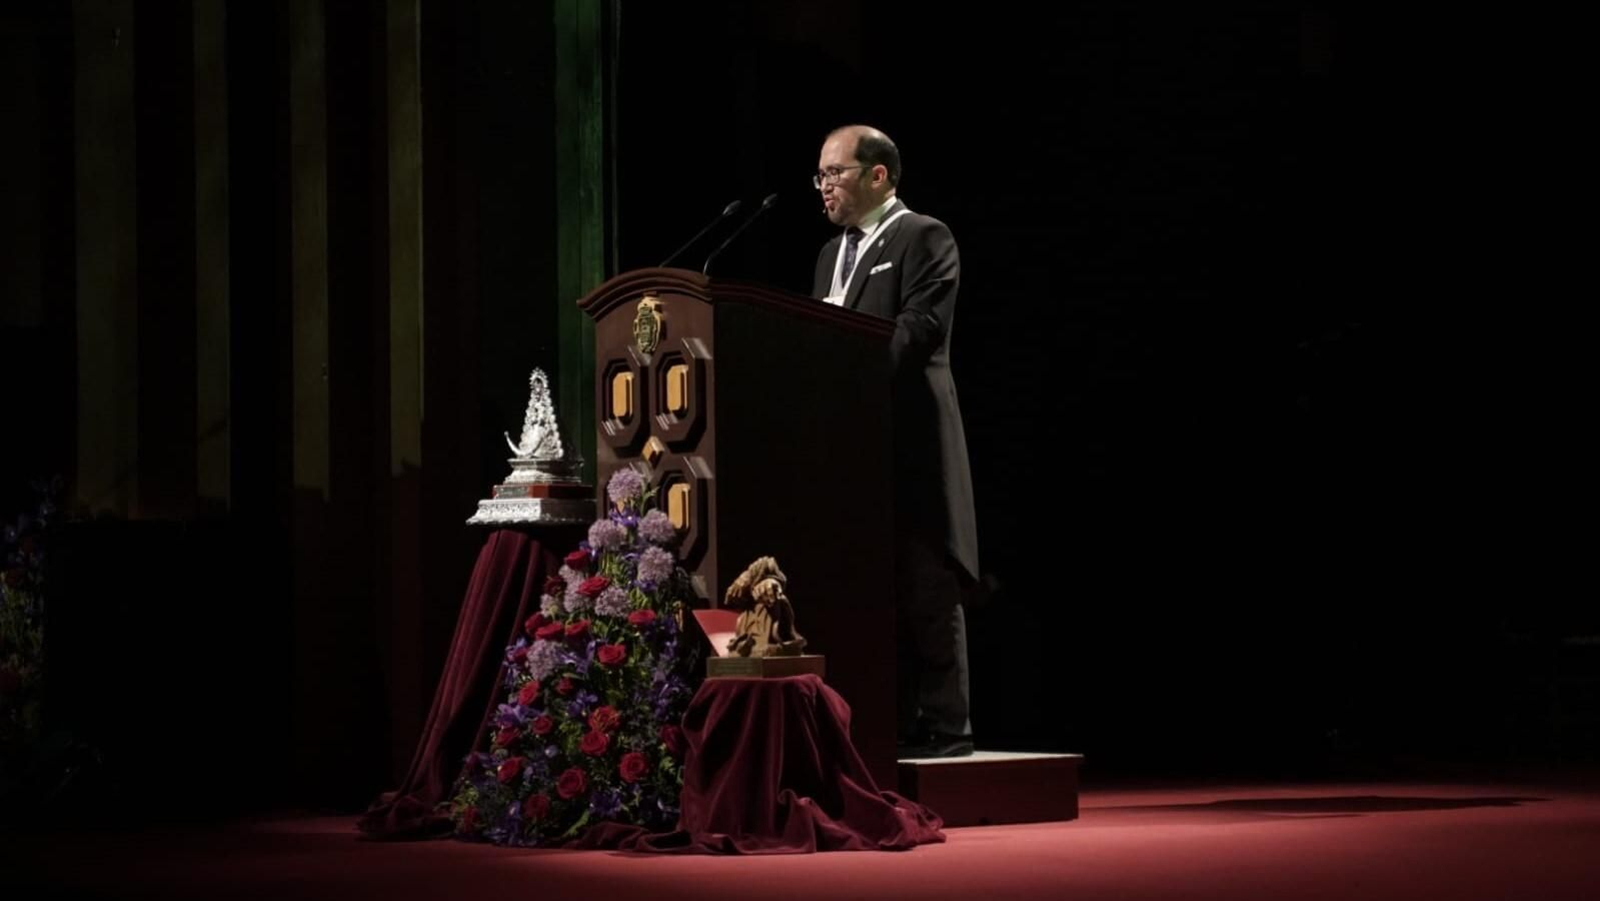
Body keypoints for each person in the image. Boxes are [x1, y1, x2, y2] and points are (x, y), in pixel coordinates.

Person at [811, 125, 979, 758]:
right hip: (853, 454)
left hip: (913, 446)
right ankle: (888, 722)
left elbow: (916, 332)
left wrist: (837, 374)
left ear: (877, 176)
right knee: (869, 591)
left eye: (835, 172)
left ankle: (948, 730)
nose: (823, 186)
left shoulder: (924, 237)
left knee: (927, 587)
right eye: (819, 175)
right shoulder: (830, 255)